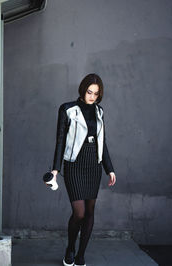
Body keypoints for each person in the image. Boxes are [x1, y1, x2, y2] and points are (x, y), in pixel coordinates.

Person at [51, 73, 116, 266]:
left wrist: (109, 169)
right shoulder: (67, 109)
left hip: (93, 166)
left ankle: (80, 256)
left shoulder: (99, 112)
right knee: (78, 213)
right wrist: (55, 170)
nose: (92, 96)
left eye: (96, 94)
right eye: (89, 92)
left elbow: (102, 144)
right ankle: (70, 248)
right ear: (83, 89)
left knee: (90, 211)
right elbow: (60, 141)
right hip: (74, 164)